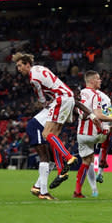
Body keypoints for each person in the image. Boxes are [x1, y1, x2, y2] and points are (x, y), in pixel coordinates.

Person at [13, 52, 84, 188]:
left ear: (28, 64)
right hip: (68, 97)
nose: (19, 68)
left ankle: (68, 157)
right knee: (54, 137)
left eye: (20, 65)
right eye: (17, 66)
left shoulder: (33, 78)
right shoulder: (40, 68)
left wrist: (44, 103)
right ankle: (60, 171)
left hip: (60, 99)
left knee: (46, 134)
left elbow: (40, 95)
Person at [73, 71, 112, 198]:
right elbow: (99, 115)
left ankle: (78, 191)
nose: (100, 81)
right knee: (110, 129)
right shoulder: (98, 96)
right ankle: (103, 162)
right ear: (92, 81)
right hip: (94, 134)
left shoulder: (80, 93)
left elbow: (75, 109)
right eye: (98, 79)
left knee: (86, 161)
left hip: (80, 134)